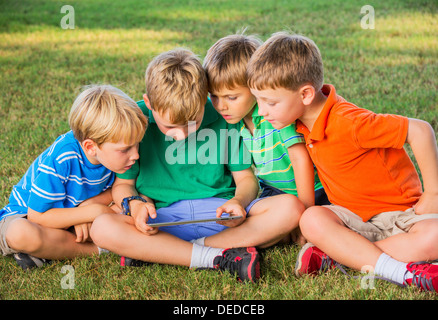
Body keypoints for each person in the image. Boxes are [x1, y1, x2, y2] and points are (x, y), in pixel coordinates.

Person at [246, 31, 438, 292]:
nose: (262, 111)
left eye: (269, 102)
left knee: (434, 236)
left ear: (305, 95)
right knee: (312, 218)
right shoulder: (299, 122)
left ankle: (337, 256)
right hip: (353, 218)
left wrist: (434, 192)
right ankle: (383, 264)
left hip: (402, 215)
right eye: (258, 101)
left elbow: (420, 130)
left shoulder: (350, 123)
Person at [90, 48, 303, 282]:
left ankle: (164, 251)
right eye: (170, 126)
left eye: (192, 123)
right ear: (150, 104)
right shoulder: (135, 119)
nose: (181, 135)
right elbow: (123, 185)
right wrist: (136, 204)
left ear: (204, 100)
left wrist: (238, 202)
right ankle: (215, 257)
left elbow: (246, 179)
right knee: (102, 227)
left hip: (220, 217)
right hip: (161, 219)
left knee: (290, 209)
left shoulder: (224, 116)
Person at [0, 85, 147, 270]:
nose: (136, 155)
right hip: (30, 216)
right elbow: (37, 216)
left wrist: (88, 207)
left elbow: (119, 188)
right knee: (20, 234)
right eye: (126, 149)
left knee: (140, 201)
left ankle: (49, 251)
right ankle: (98, 248)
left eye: (137, 145)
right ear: (91, 147)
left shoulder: (118, 156)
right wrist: (91, 213)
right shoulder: (62, 158)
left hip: (76, 214)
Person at [203, 33, 330, 244]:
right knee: (249, 218)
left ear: (255, 88)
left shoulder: (274, 116)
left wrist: (307, 211)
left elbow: (301, 160)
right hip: (273, 193)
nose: (220, 105)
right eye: (214, 96)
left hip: (314, 192)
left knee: (318, 222)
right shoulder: (236, 122)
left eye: (231, 97)